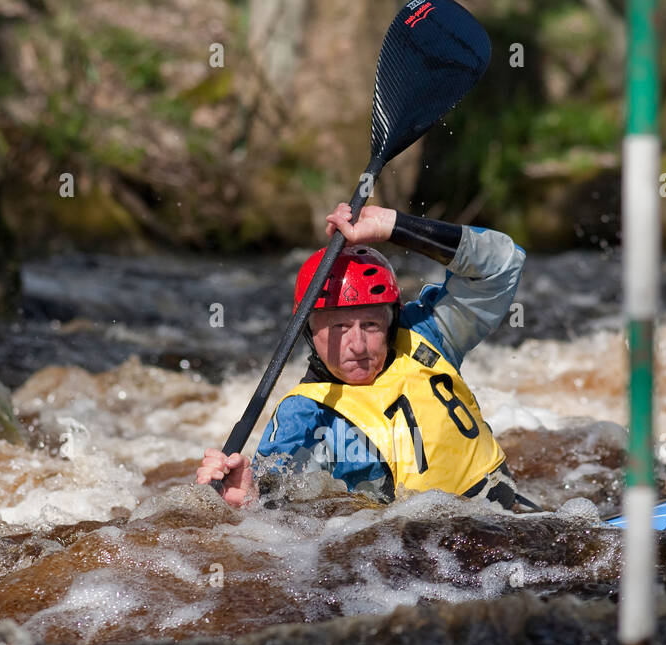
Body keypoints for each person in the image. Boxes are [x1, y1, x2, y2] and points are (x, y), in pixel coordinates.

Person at [197, 203, 538, 511]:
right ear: (307, 330)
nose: (358, 345)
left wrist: (396, 227)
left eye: (372, 325)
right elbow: (276, 518)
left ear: (392, 321)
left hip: (508, 521)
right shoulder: (303, 415)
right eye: (338, 327)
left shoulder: (430, 336)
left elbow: (503, 264)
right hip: (424, 558)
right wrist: (249, 499)